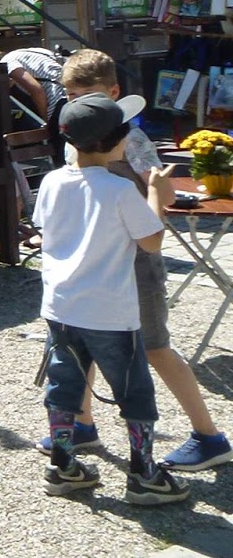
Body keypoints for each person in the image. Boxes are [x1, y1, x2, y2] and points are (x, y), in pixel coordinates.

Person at [37, 49, 232, 472]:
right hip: (94, 262)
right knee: (80, 347)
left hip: (133, 264)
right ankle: (82, 424)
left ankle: (208, 435)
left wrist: (155, 195)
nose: (77, 104)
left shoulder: (128, 137)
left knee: (155, 346)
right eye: (71, 96)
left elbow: (159, 196)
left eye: (86, 95)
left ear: (113, 93)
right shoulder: (80, 134)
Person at [33, 93, 186, 504]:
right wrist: (155, 192)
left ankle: (63, 465)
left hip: (61, 306)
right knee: (134, 391)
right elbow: (151, 242)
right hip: (111, 312)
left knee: (64, 385)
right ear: (114, 142)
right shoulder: (120, 190)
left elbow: (45, 227)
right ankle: (144, 474)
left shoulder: (51, 182)